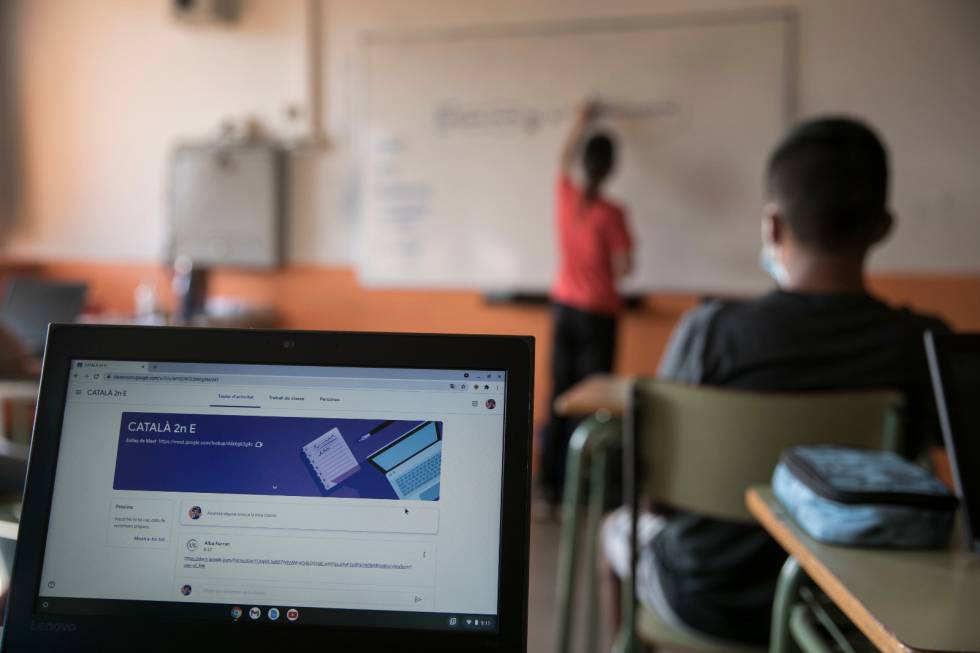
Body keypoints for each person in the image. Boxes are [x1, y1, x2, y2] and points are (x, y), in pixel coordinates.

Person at [603, 116, 949, 645]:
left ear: (773, 226)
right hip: (845, 607)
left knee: (613, 530)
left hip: (704, 597)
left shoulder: (710, 331)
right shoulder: (923, 345)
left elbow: (657, 498)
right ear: (882, 227)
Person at [538, 100, 634, 512]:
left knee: (560, 396)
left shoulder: (568, 198)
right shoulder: (613, 214)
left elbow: (561, 159)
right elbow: (624, 268)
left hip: (563, 308)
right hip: (598, 314)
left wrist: (578, 121)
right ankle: (583, 490)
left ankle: (548, 492)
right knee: (594, 403)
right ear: (611, 167)